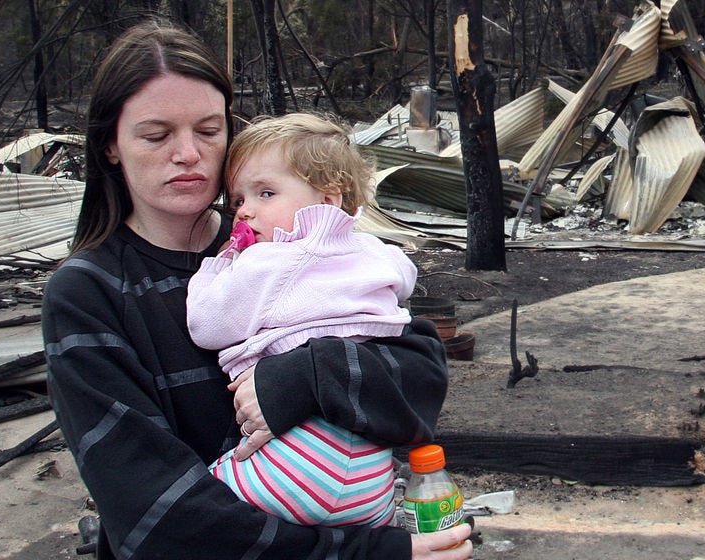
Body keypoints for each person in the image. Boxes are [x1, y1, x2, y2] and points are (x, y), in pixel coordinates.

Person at [40, 20, 473, 559]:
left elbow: (420, 387)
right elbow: (159, 518)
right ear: (110, 146)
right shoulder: (89, 295)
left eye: (208, 130)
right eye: (156, 135)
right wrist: (370, 553)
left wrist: (309, 374)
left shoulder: (286, 242)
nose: (188, 154)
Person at [186, 113, 418, 528]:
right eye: (238, 199)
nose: (244, 212)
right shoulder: (373, 251)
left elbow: (207, 324)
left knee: (191, 517)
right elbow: (405, 280)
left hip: (298, 459)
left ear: (327, 201)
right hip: (370, 468)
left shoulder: (269, 262)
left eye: (266, 193)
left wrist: (217, 267)